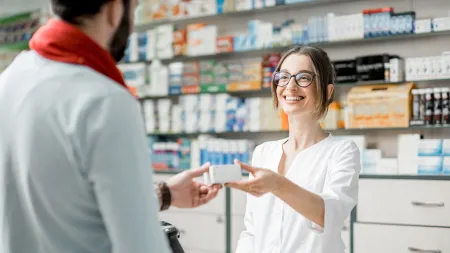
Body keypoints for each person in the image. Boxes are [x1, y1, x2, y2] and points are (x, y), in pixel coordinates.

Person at [0, 0, 221, 253]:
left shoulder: (10, 79)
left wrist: (165, 193)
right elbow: (141, 246)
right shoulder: (105, 100)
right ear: (116, 9)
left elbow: (61, 200)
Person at [226, 46, 361, 253]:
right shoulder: (263, 152)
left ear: (327, 90)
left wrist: (277, 184)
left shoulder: (342, 152)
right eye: (284, 77)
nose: (290, 86)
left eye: (304, 77)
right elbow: (251, 231)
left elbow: (330, 215)